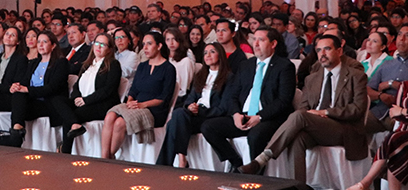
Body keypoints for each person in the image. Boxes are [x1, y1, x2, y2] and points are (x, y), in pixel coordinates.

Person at [238, 36, 369, 182]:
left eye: (327, 49)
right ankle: (298, 185)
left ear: (339, 51)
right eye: (318, 50)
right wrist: (314, 116)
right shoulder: (312, 78)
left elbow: (358, 109)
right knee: (297, 139)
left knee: (300, 116)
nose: (322, 54)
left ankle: (263, 158)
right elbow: (304, 106)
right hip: (315, 125)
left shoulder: (355, 76)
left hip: (343, 128)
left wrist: (324, 112)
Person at [346, 46, 408, 190]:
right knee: (397, 147)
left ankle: (365, 183)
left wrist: (404, 111)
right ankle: (366, 184)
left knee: (394, 139)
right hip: (402, 134)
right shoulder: (405, 86)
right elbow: (396, 114)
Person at [200, 26, 296, 172]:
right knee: (209, 127)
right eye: (254, 40)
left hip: (268, 118)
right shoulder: (246, 65)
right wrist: (236, 114)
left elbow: (284, 100)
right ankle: (237, 164)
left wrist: (260, 117)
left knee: (255, 136)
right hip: (244, 115)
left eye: (261, 40)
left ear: (273, 44)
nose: (256, 44)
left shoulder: (284, 66)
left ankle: (255, 178)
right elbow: (233, 95)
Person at [101, 31, 176, 160]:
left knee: (119, 123)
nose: (145, 48)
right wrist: (130, 101)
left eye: (149, 44)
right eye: (143, 44)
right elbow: (134, 89)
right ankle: (103, 157)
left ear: (159, 46)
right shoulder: (142, 66)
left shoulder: (168, 68)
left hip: (154, 109)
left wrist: (142, 104)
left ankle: (109, 157)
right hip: (136, 105)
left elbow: (164, 97)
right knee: (110, 116)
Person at [157, 42, 233, 168]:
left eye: (212, 52)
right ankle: (181, 158)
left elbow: (224, 107)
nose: (208, 55)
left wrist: (200, 111)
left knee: (174, 121)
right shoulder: (201, 75)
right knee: (179, 114)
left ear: (220, 55)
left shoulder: (228, 77)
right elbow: (190, 99)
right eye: (205, 53)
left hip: (210, 117)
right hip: (194, 114)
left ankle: (168, 164)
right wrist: (190, 106)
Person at [59, 33, 122, 154]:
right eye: (96, 43)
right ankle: (75, 125)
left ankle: (65, 152)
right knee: (58, 100)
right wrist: (77, 97)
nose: (98, 47)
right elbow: (77, 85)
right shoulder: (88, 64)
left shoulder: (113, 64)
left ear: (109, 49)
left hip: (101, 104)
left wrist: (86, 100)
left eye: (103, 44)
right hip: (83, 100)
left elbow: (108, 90)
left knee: (71, 114)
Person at [5, 31, 70, 147]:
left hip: (49, 103)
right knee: (18, 95)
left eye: (44, 42)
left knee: (19, 100)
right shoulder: (34, 63)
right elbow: (25, 82)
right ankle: (17, 129)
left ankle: (15, 136)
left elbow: (52, 88)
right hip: (32, 101)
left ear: (53, 45)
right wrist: (17, 86)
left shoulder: (60, 62)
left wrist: (28, 90)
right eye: (39, 42)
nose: (40, 45)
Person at [367, 23, 408, 133]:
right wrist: (381, 95)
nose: (401, 39)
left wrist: (392, 84)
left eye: (407, 36)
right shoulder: (387, 64)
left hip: (404, 114)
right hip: (380, 112)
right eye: (399, 35)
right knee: (353, 124)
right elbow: (368, 90)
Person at [164, 27, 195, 105]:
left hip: (179, 96)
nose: (171, 43)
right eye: (168, 40)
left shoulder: (186, 59)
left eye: (174, 39)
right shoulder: (163, 56)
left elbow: (184, 87)